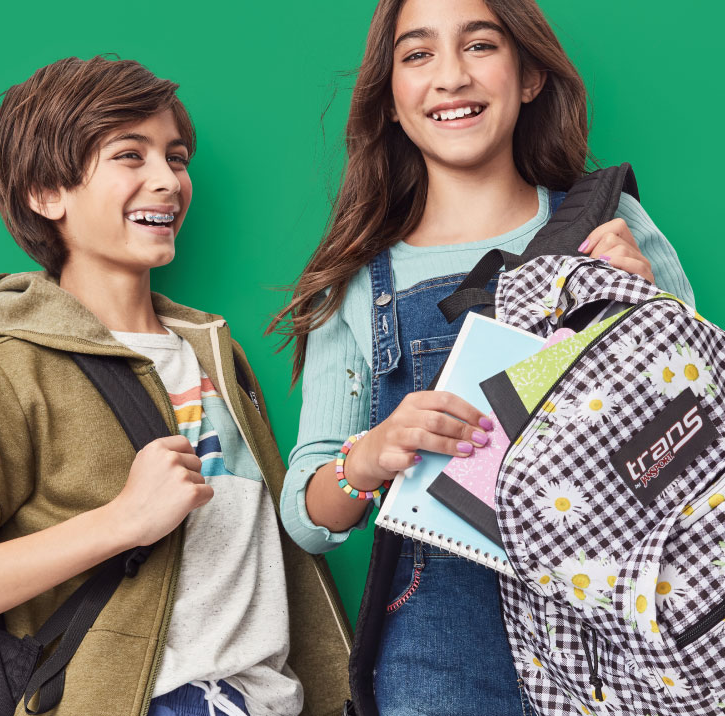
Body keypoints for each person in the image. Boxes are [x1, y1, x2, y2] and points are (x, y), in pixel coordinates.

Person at [0, 55, 351, 716]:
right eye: (130, 156)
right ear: (46, 193)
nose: (167, 180)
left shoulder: (216, 353)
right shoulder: (14, 366)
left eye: (177, 157)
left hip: (269, 699)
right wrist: (121, 522)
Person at [270, 1, 695, 715]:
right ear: (392, 99)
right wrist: (371, 455)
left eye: (480, 45)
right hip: (440, 658)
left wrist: (643, 314)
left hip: (620, 639)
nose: (451, 76)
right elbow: (307, 515)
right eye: (417, 55)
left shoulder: (615, 229)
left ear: (528, 75)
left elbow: (700, 454)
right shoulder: (357, 282)